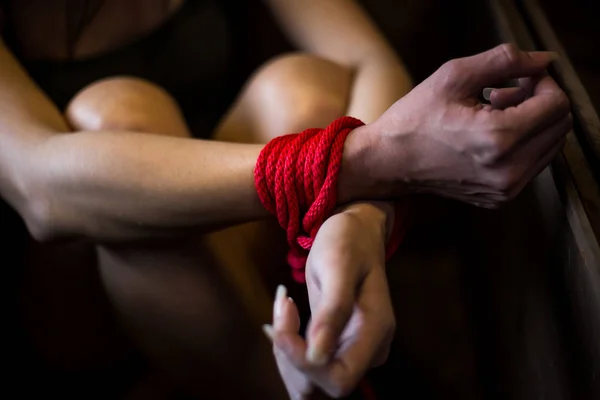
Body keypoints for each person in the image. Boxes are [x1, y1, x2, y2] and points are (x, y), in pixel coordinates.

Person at [0, 0, 571, 398]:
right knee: (116, 116)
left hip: (232, 260)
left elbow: (366, 61)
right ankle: (286, 387)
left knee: (303, 88)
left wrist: (358, 220)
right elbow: (39, 187)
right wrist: (372, 161)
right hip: (84, 302)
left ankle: (305, 358)